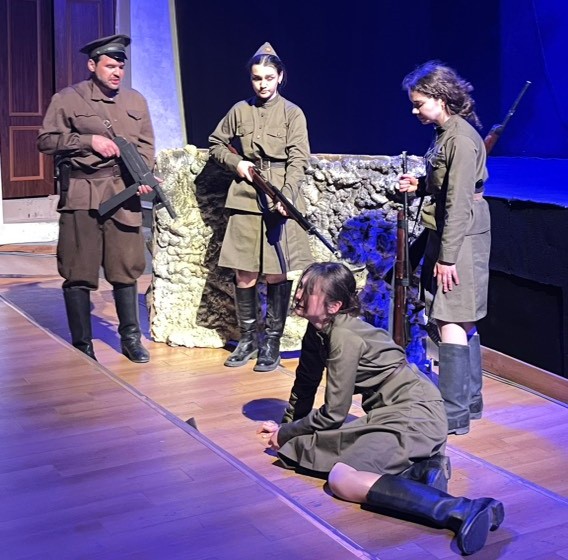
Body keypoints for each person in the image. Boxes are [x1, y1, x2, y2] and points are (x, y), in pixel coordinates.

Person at [258, 262, 504, 556]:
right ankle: (422, 471)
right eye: (300, 287)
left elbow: (334, 414)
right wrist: (287, 427)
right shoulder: (319, 330)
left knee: (341, 478)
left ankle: (461, 509)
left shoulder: (345, 337)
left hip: (413, 414)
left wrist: (287, 435)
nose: (298, 295)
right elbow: (306, 382)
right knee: (309, 449)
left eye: (308, 291)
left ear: (334, 306)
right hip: (397, 414)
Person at [37, 34, 155, 363]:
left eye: (120, 67)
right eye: (110, 66)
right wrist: (88, 141)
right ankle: (82, 344)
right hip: (82, 193)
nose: (117, 73)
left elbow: (146, 146)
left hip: (122, 193)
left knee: (125, 268)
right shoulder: (68, 99)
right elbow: (46, 141)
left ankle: (130, 339)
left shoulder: (135, 101)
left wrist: (142, 178)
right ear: (92, 65)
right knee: (78, 269)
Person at [398, 61, 491, 435]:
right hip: (452, 231)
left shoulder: (461, 140)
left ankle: (454, 412)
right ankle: (470, 401)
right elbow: (446, 184)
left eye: (419, 103)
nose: (415, 110)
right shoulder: (446, 134)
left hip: (460, 236)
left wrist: (448, 257)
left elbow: (459, 202)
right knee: (461, 317)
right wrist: (420, 185)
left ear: (440, 98)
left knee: (451, 316)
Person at [209, 42, 312, 373]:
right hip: (245, 195)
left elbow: (299, 159)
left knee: (277, 271)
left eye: (269, 77)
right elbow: (216, 143)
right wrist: (237, 163)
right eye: (257, 78)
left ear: (280, 77)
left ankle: (272, 342)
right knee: (245, 272)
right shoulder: (240, 110)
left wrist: (285, 196)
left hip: (279, 193)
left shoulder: (293, 113)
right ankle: (248, 339)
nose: (263, 84)